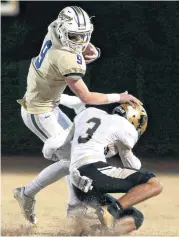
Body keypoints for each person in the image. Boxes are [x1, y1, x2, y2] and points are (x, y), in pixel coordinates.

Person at [13, 5, 142, 225]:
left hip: (47, 102)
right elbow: (87, 97)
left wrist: (85, 47)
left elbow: (74, 52)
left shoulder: (54, 29)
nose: (80, 41)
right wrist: (118, 97)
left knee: (74, 157)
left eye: (84, 36)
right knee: (73, 159)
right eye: (75, 36)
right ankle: (30, 194)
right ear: (64, 31)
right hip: (39, 111)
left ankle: (73, 206)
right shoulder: (64, 56)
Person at [44, 103, 163, 234]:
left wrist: (50, 154)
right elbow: (132, 166)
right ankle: (112, 211)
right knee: (154, 184)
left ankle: (99, 233)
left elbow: (52, 145)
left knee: (136, 217)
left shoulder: (87, 113)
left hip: (78, 185)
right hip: (93, 171)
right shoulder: (124, 125)